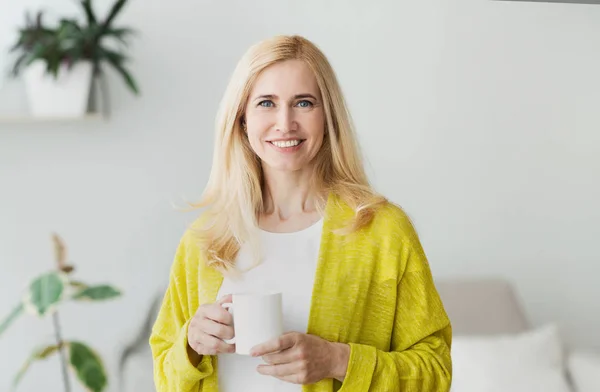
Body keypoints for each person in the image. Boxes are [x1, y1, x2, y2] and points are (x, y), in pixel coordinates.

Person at [149, 34, 452, 392]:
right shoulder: (206, 238)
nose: (285, 122)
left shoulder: (382, 231)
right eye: (266, 103)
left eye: (304, 103)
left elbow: (435, 370)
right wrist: (190, 346)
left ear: (328, 117)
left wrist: (338, 360)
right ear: (242, 119)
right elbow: (165, 373)